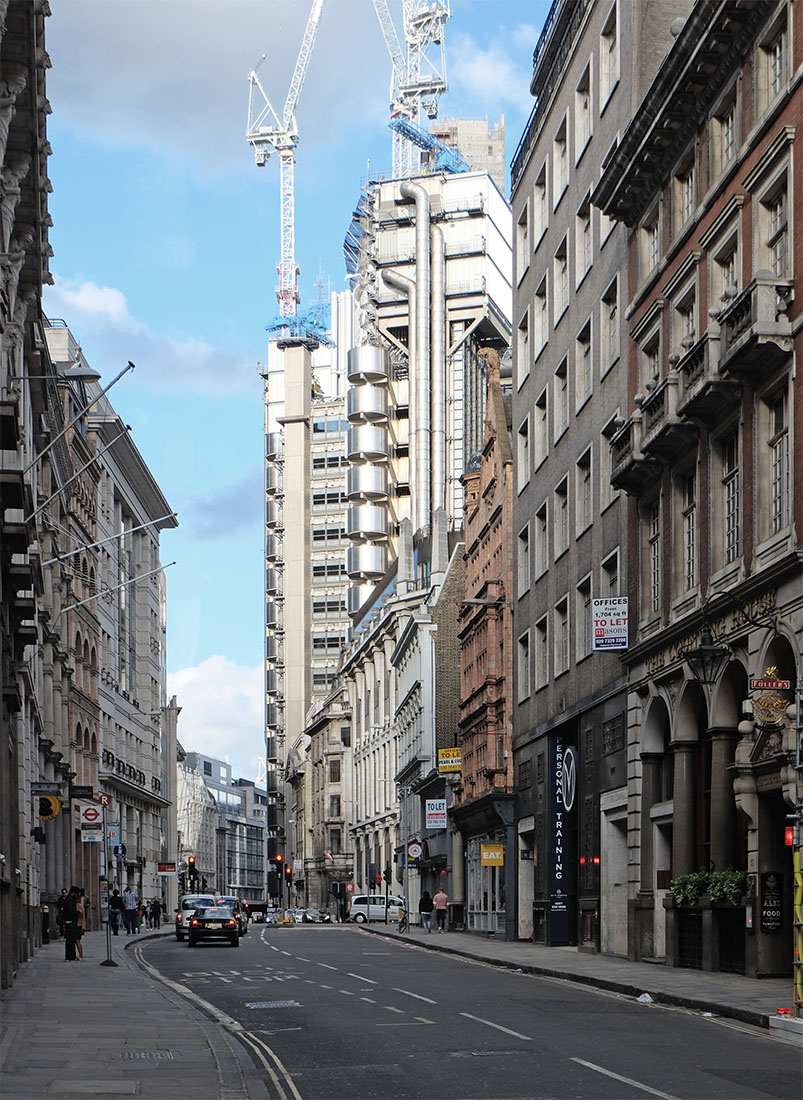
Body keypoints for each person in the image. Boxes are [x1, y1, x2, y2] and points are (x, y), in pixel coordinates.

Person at [61, 886, 81, 961]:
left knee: (70, 940)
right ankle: (71, 956)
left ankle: (69, 956)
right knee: (71, 940)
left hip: (69, 921)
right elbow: (71, 911)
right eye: (77, 893)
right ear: (74, 892)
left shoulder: (68, 899)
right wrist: (78, 912)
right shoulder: (70, 900)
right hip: (71, 922)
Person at [75, 889, 86, 959]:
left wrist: (83, 927)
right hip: (78, 925)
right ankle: (80, 954)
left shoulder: (79, 906)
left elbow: (82, 917)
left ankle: (81, 955)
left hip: (78, 925)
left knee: (77, 940)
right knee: (77, 941)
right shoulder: (79, 905)